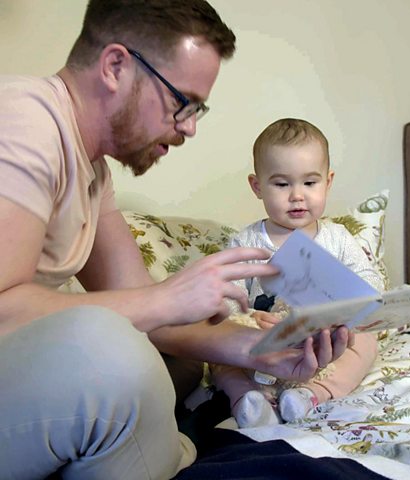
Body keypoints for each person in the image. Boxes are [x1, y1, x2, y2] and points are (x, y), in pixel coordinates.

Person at [0, 2, 352, 480]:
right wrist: (168, 296)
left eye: (198, 109)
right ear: (115, 66)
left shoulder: (92, 170)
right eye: (181, 101)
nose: (189, 126)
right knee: (107, 347)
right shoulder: (25, 120)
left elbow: (151, 315)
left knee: (178, 358)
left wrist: (261, 349)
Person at [211, 118, 383, 428]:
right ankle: (248, 400)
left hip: (323, 347)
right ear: (257, 186)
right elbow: (226, 298)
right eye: (281, 184)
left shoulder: (338, 238)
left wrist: (347, 305)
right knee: (215, 352)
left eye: (310, 182)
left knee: (366, 343)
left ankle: (310, 396)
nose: (297, 195)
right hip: (262, 344)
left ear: (327, 182)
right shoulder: (247, 242)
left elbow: (371, 282)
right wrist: (245, 318)